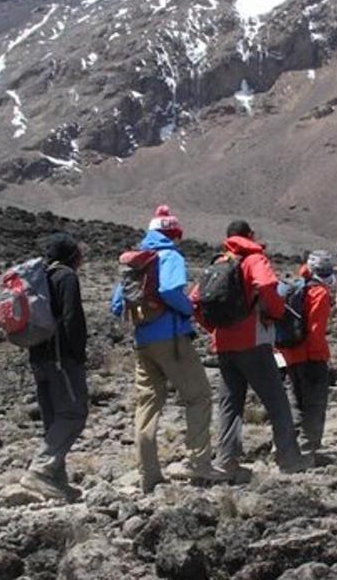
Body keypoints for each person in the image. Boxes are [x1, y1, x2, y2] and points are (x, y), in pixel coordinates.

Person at [110, 207, 229, 493]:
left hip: (143, 341)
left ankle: (148, 474)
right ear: (174, 234)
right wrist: (189, 308)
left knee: (147, 405)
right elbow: (169, 291)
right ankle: (199, 464)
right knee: (198, 397)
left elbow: (116, 306)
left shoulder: (134, 263)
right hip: (171, 339)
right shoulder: (170, 256)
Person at [194, 221, 311, 474]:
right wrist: (277, 311)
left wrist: (213, 329)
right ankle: (289, 459)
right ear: (251, 236)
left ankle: (227, 459)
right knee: (277, 402)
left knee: (229, 403)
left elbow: (195, 300)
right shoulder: (254, 259)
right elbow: (268, 286)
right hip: (253, 343)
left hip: (224, 346)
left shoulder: (218, 263)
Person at [21, 232, 89, 502]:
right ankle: (39, 470)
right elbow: (73, 318)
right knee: (74, 413)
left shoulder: (39, 279)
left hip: (38, 357)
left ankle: (56, 481)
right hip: (62, 359)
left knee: (53, 419)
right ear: (73, 255)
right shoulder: (66, 277)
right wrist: (79, 354)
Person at [276, 250, 335, 455]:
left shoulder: (293, 288)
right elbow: (316, 331)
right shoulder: (319, 292)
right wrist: (323, 358)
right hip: (311, 355)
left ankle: (290, 444)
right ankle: (309, 445)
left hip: (290, 353)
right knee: (315, 402)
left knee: (296, 399)